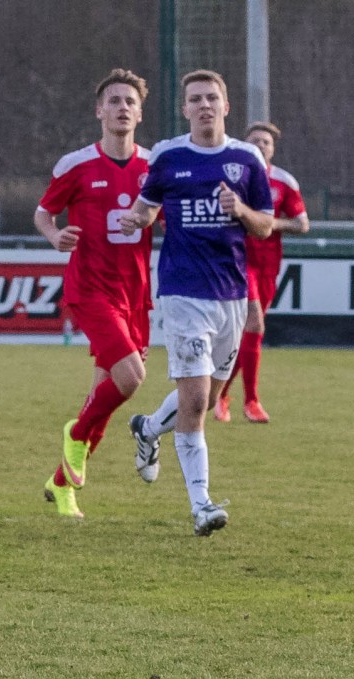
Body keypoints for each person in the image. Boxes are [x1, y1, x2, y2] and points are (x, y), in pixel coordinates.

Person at [119, 70, 274, 536]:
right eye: (195, 99)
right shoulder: (168, 156)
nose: (204, 105)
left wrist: (240, 211)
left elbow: (264, 225)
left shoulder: (246, 159)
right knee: (196, 399)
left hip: (229, 295)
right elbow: (147, 206)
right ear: (184, 109)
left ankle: (148, 429)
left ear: (226, 107)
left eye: (212, 98)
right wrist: (136, 218)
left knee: (204, 399)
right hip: (183, 291)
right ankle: (202, 504)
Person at [34, 69, 156, 520]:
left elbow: (163, 213)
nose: (122, 107)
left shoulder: (152, 168)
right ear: (99, 111)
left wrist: (149, 218)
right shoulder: (76, 165)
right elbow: (43, 213)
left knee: (104, 396)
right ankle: (75, 431)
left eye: (130, 101)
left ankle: (62, 484)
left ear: (139, 113)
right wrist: (54, 236)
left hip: (135, 293)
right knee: (132, 377)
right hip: (91, 290)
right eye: (114, 100)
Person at [216, 121, 309, 424]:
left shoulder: (284, 181)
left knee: (251, 334)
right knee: (254, 323)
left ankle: (221, 393)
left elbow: (302, 223)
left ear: (273, 148)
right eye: (254, 140)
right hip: (238, 261)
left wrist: (269, 223)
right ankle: (252, 401)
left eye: (266, 142)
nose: (260, 146)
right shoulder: (233, 176)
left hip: (268, 264)